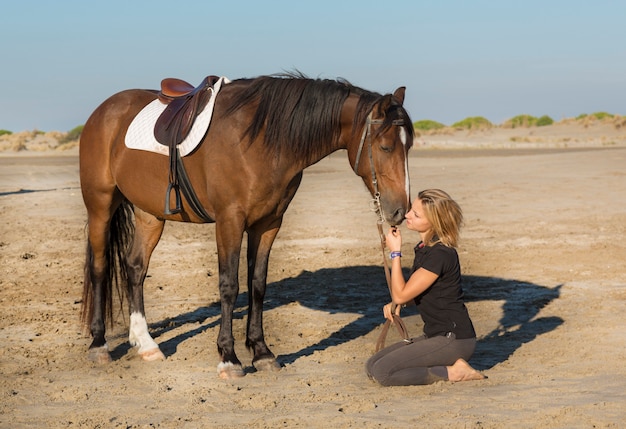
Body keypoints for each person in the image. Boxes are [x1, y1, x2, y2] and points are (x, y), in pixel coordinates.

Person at [366, 189, 485, 386]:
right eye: (411, 209)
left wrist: (395, 253)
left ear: (434, 222)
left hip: (454, 339)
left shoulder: (440, 254)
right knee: (372, 365)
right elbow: (416, 293)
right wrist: (396, 303)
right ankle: (446, 368)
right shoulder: (425, 249)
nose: (407, 215)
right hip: (435, 334)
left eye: (416, 214)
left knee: (383, 373)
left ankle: (454, 373)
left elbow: (402, 294)